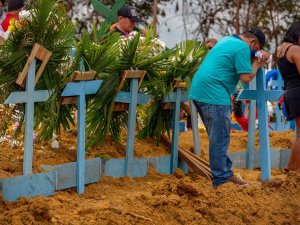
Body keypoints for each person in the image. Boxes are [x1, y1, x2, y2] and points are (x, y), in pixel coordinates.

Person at [189, 28, 269, 188]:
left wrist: (255, 55)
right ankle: (221, 180)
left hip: (201, 91)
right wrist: (259, 63)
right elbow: (246, 77)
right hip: (213, 94)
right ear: (253, 43)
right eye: (257, 49)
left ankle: (224, 174)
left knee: (218, 137)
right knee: (220, 138)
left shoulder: (227, 40)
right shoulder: (242, 47)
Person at [277, 21, 300, 173]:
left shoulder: (281, 50)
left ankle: (294, 168)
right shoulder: (296, 50)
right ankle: (292, 168)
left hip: (290, 92)